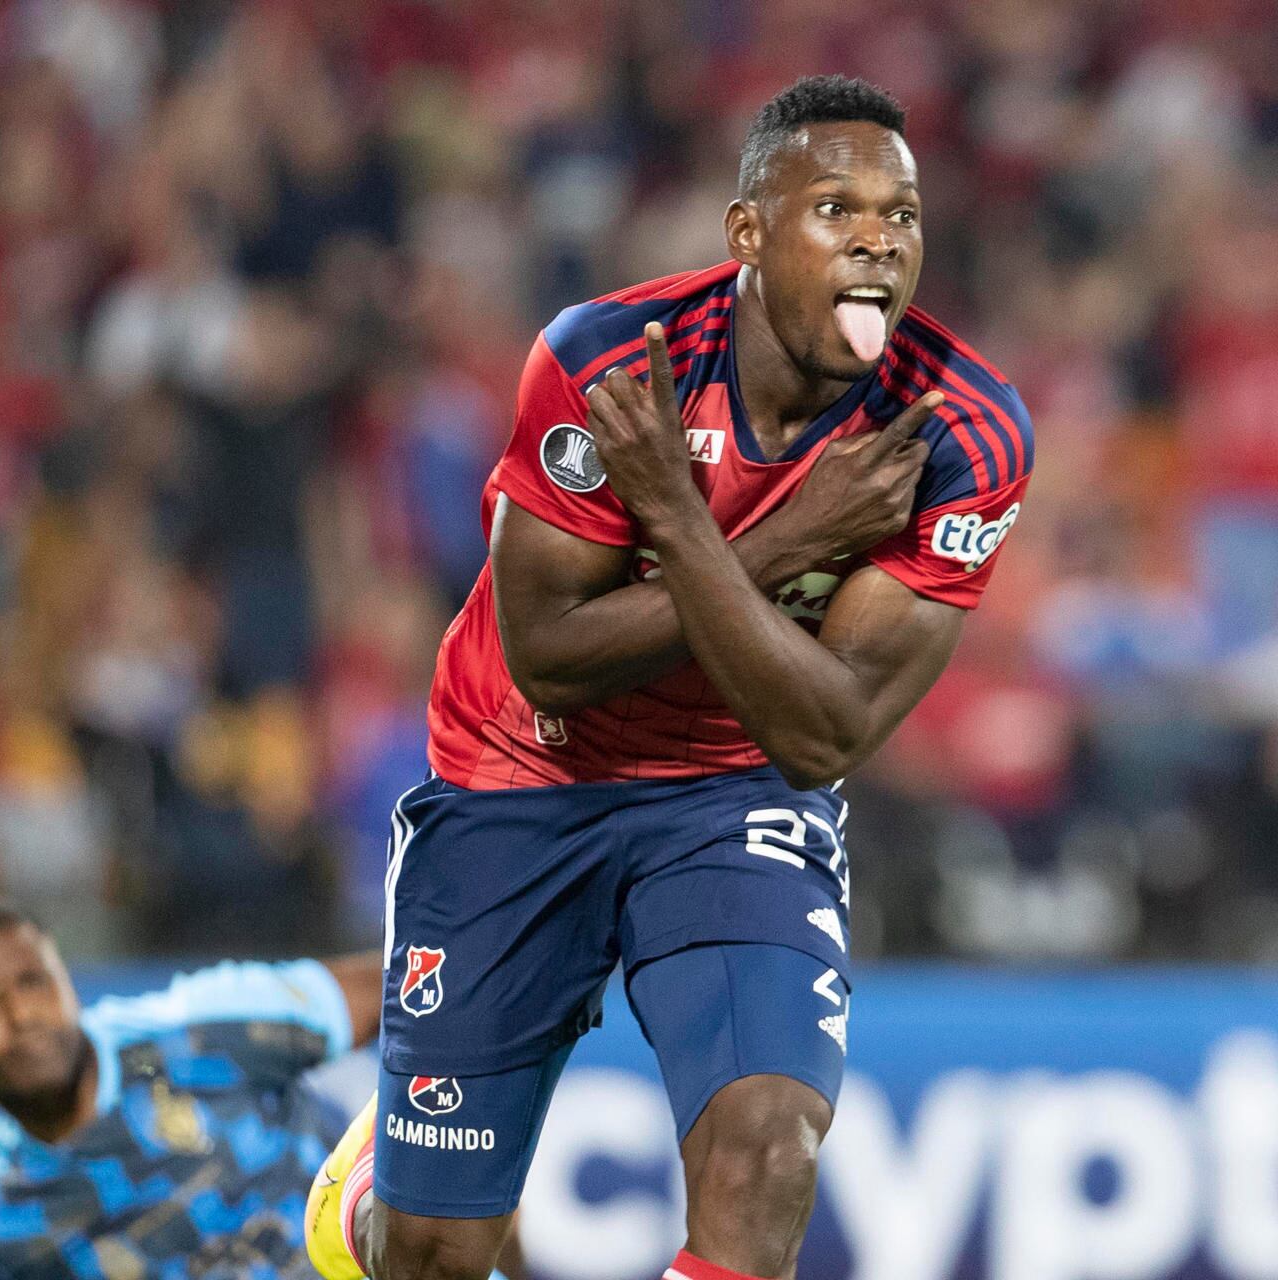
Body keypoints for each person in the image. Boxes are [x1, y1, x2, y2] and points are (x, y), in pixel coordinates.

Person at [307, 75, 1033, 1280]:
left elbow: (825, 731)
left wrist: (689, 531)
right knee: (429, 1252)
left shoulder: (962, 435)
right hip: (521, 765)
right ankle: (378, 1190)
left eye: (900, 217)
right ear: (748, 232)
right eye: (835, 210)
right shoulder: (611, 361)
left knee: (771, 1152)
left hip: (733, 788)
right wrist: (790, 543)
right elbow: (552, 656)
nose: (876, 241)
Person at [0, 895, 387, 1280]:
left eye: (33, 981)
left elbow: (408, 992)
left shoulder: (202, 1025)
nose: (21, 1016)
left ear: (67, 979)